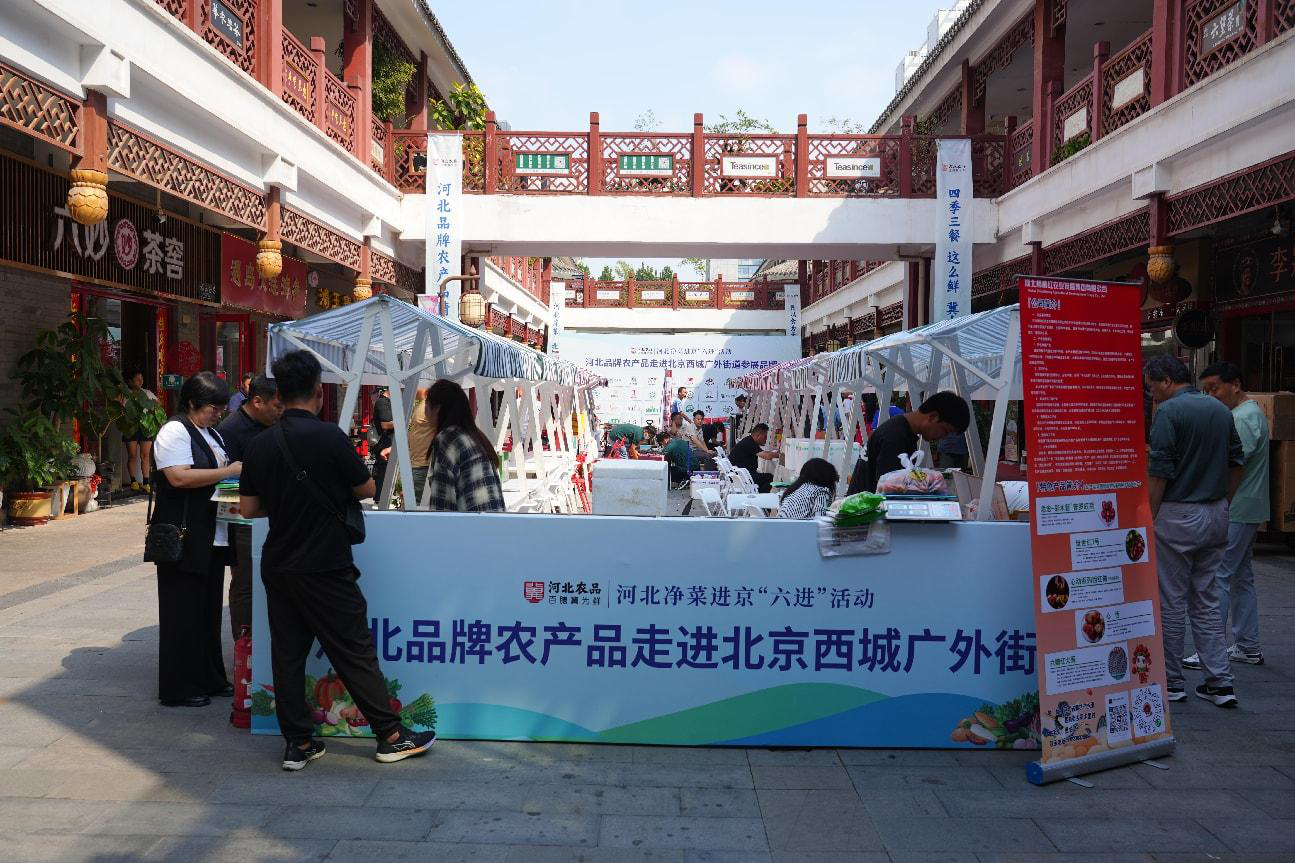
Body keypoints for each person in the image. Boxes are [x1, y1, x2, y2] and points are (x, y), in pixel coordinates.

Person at [239, 350, 436, 770]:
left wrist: (287, 503)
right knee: (352, 648)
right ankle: (391, 736)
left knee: (287, 654)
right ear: (318, 391)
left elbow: (250, 509)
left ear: (279, 394)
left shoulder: (260, 444)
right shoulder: (329, 437)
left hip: (279, 563)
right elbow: (366, 488)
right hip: (325, 562)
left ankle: (298, 743)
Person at [1144, 354, 1244, 708]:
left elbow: (1160, 473)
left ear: (1166, 381)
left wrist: (1149, 517)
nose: (1151, 394)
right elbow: (1237, 462)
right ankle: (1220, 681)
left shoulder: (1168, 413)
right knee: (1206, 599)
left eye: (1152, 387)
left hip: (1177, 514)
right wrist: (1224, 502)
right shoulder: (1220, 410)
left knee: (1171, 600)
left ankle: (1172, 681)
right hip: (1216, 513)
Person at [151, 372, 240, 708]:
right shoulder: (174, 430)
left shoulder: (210, 432)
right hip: (183, 534)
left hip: (211, 534)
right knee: (182, 612)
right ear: (191, 403)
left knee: (207, 612)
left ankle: (209, 676)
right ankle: (180, 686)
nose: (218, 413)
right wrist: (229, 472)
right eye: (212, 407)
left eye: (221, 408)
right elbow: (178, 477)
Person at [1183, 362, 1269, 670]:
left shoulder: (1244, 418)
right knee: (1240, 576)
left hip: (1237, 507)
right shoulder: (1242, 414)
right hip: (1244, 506)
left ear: (1235, 385)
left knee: (1217, 575)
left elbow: (1232, 462)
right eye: (1206, 390)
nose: (1211, 395)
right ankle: (1247, 645)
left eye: (1215, 388)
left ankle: (1211, 650)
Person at [216, 374, 282, 641]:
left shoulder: (272, 425)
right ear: (257, 401)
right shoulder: (230, 430)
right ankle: (244, 643)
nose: (280, 411)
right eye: (276, 406)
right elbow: (226, 482)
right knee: (245, 580)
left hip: (272, 513)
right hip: (242, 518)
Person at [846, 391, 970, 495]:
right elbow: (890, 492)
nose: (943, 437)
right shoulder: (896, 437)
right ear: (932, 417)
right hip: (864, 512)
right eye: (945, 431)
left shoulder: (901, 430)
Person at [423, 379, 506, 513]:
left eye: (426, 404)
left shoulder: (448, 439)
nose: (424, 411)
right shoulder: (474, 436)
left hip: (471, 524)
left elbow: (442, 505)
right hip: (494, 522)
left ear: (437, 408)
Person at [123, 369, 160, 492]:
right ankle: (133, 481)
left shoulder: (147, 393)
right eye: (138, 379)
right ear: (130, 381)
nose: (141, 381)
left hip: (146, 426)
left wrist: (153, 406)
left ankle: (146, 482)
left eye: (142, 379)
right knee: (132, 455)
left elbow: (157, 405)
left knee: (145, 455)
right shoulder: (126, 394)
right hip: (130, 426)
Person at [406, 388, 435, 507]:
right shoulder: (423, 406)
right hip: (419, 465)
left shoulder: (429, 407)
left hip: (423, 466)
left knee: (416, 507)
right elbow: (415, 432)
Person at [729, 423, 779, 493]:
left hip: (739, 474)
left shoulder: (749, 441)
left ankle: (758, 494)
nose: (766, 439)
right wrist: (781, 455)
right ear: (758, 435)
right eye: (765, 437)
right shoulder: (749, 443)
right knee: (769, 477)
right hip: (741, 476)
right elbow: (767, 456)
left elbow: (765, 453)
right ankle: (760, 496)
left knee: (765, 476)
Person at [369, 386, 395, 502]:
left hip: (389, 442)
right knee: (383, 471)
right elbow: (385, 424)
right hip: (384, 443)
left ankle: (383, 498)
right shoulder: (382, 403)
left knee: (387, 471)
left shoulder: (389, 403)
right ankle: (379, 499)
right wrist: (403, 422)